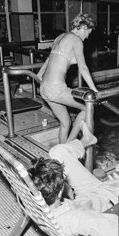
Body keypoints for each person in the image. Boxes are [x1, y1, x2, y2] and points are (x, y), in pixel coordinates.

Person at [37, 13, 99, 144]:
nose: (87, 36)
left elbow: (49, 60)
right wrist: (94, 90)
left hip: (43, 88)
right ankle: (69, 146)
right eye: (88, 32)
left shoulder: (60, 37)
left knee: (65, 122)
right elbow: (83, 68)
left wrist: (38, 75)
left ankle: (60, 156)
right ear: (83, 27)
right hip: (56, 88)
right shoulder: (76, 40)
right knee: (87, 107)